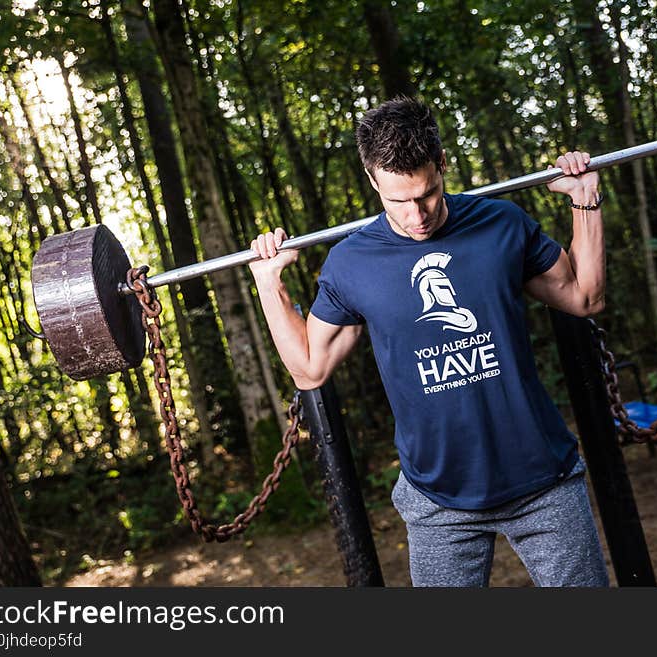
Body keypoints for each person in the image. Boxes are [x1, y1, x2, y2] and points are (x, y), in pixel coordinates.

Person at [249, 97, 609, 587]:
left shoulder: (500, 224)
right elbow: (309, 368)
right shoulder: (352, 263)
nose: (417, 215)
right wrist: (270, 286)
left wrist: (584, 199)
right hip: (438, 501)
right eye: (398, 201)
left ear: (442, 165)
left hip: (543, 482)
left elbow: (584, 296)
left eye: (428, 195)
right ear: (373, 180)